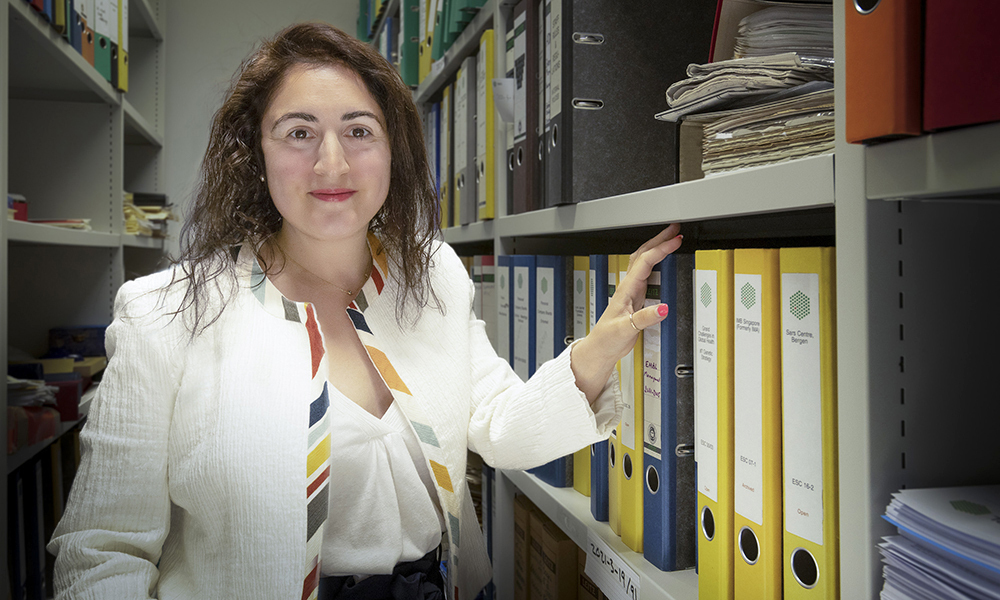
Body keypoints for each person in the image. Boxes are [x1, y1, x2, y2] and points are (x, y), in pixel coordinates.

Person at [47, 22, 683, 600]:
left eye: (359, 131)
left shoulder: (433, 274)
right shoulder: (162, 316)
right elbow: (102, 552)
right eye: (298, 132)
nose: (332, 162)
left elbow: (500, 427)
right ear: (255, 150)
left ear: (391, 148)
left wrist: (604, 341)